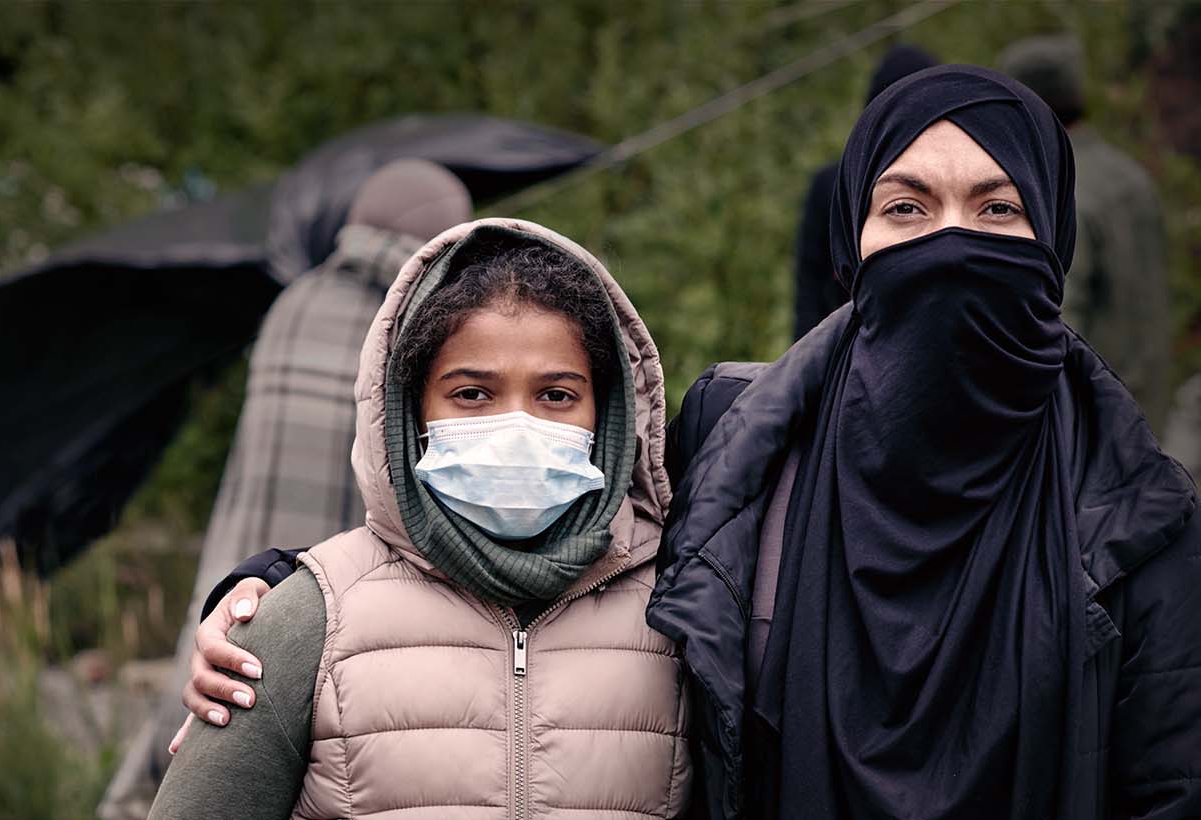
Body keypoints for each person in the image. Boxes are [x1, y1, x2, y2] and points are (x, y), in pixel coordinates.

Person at [185, 66, 1201, 820]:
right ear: (854, 243)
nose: (950, 240)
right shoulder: (748, 434)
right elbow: (558, 561)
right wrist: (281, 590)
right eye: (905, 206)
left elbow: (1169, 785)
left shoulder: (1139, 510)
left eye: (997, 207)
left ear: (1052, 241)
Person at [149, 218, 692, 819]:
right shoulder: (309, 617)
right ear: (411, 412)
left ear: (607, 415)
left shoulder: (683, 613)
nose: (516, 427)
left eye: (556, 395)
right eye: (472, 394)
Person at [102, 159, 474, 807]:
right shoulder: (407, 324)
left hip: (244, 551)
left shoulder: (296, 301)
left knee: (212, 695)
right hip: (331, 574)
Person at [1000, 34, 1172, 431]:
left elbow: (1057, 325)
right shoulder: (1134, 178)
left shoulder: (1056, 191)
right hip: (1148, 415)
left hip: (1088, 429)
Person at [793, 44, 937, 340]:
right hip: (844, 341)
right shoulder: (833, 185)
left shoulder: (949, 185)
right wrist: (803, 361)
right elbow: (809, 280)